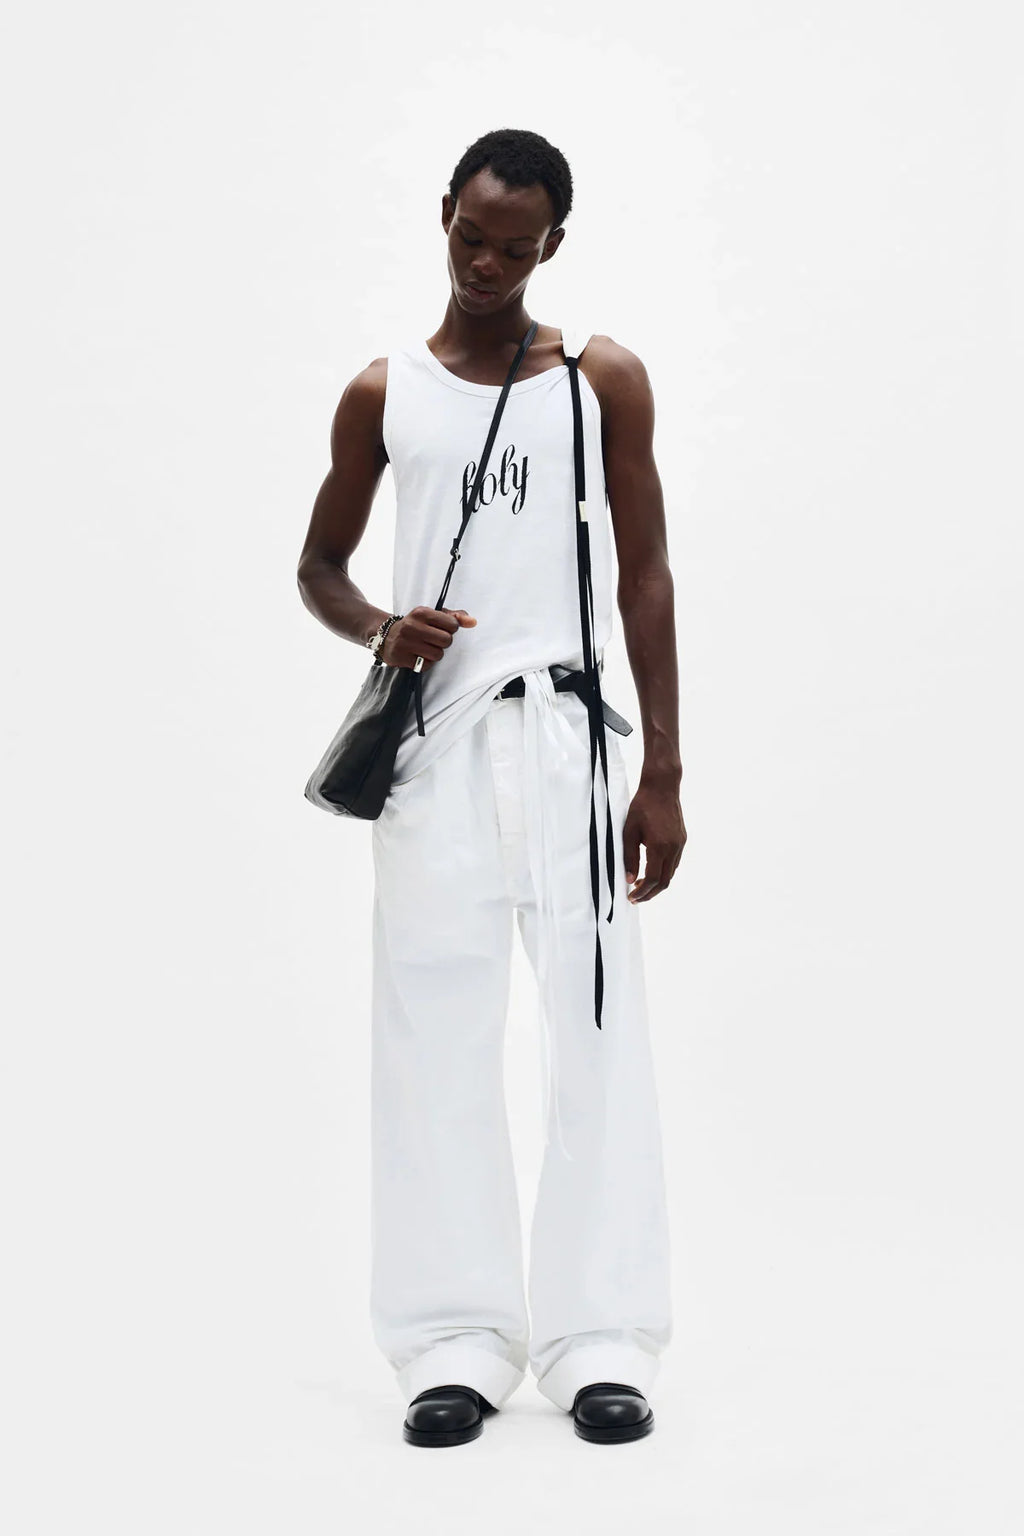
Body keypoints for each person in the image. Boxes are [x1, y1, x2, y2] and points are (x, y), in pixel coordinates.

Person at [296, 127, 686, 1447]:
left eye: (515, 246)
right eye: (472, 235)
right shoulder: (385, 391)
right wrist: (379, 628)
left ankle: (602, 1338)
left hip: (568, 747)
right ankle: (450, 1340)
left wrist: (662, 771)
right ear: (445, 217)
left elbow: (645, 573)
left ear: (551, 245)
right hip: (435, 762)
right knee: (434, 1042)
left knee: (596, 1036)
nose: (487, 263)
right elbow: (319, 567)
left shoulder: (598, 380)